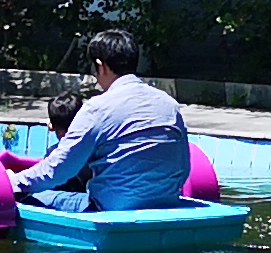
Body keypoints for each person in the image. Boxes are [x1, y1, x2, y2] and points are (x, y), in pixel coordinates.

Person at [11, 28, 189, 212]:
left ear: (100, 65)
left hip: (110, 209)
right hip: (166, 203)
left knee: (30, 196)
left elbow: (58, 171)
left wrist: (12, 182)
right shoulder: (169, 105)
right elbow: (183, 168)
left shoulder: (97, 108)